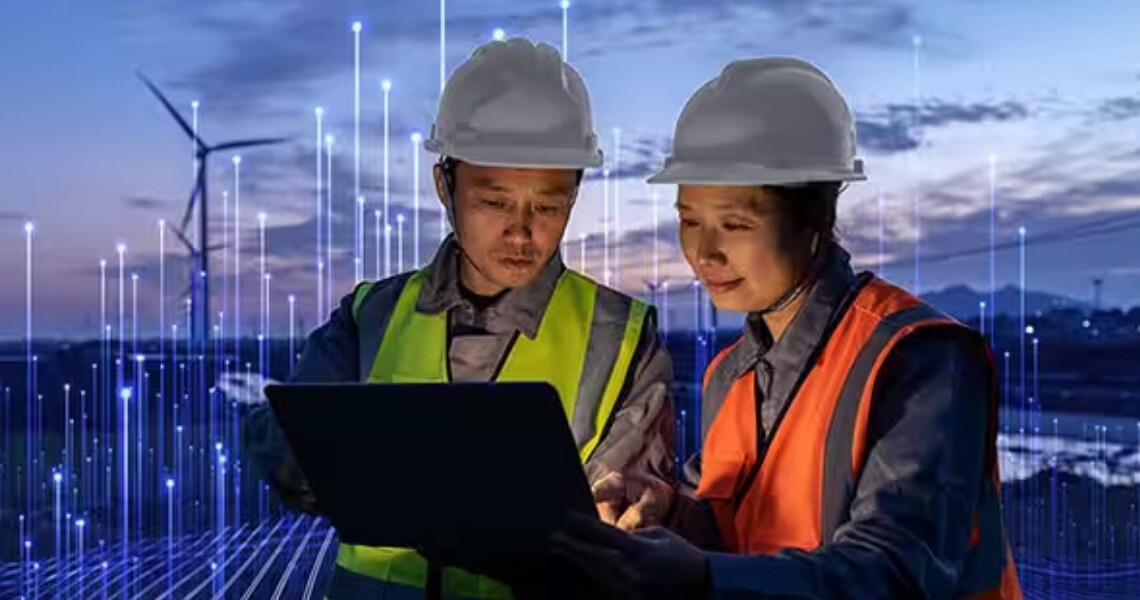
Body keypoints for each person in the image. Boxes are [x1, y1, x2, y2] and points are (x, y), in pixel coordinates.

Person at [549, 57, 1024, 599]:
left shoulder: (920, 357)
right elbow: (737, 530)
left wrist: (701, 578)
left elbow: (897, 573)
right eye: (689, 220)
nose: (704, 252)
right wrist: (668, 512)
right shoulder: (730, 376)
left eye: (736, 224)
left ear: (816, 218)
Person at [242, 38, 675, 599]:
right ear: (445, 185)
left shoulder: (623, 336)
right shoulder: (370, 315)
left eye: (547, 206)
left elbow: (625, 525)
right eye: (495, 202)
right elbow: (277, 439)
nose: (522, 232)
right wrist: (327, 467)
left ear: (575, 192)